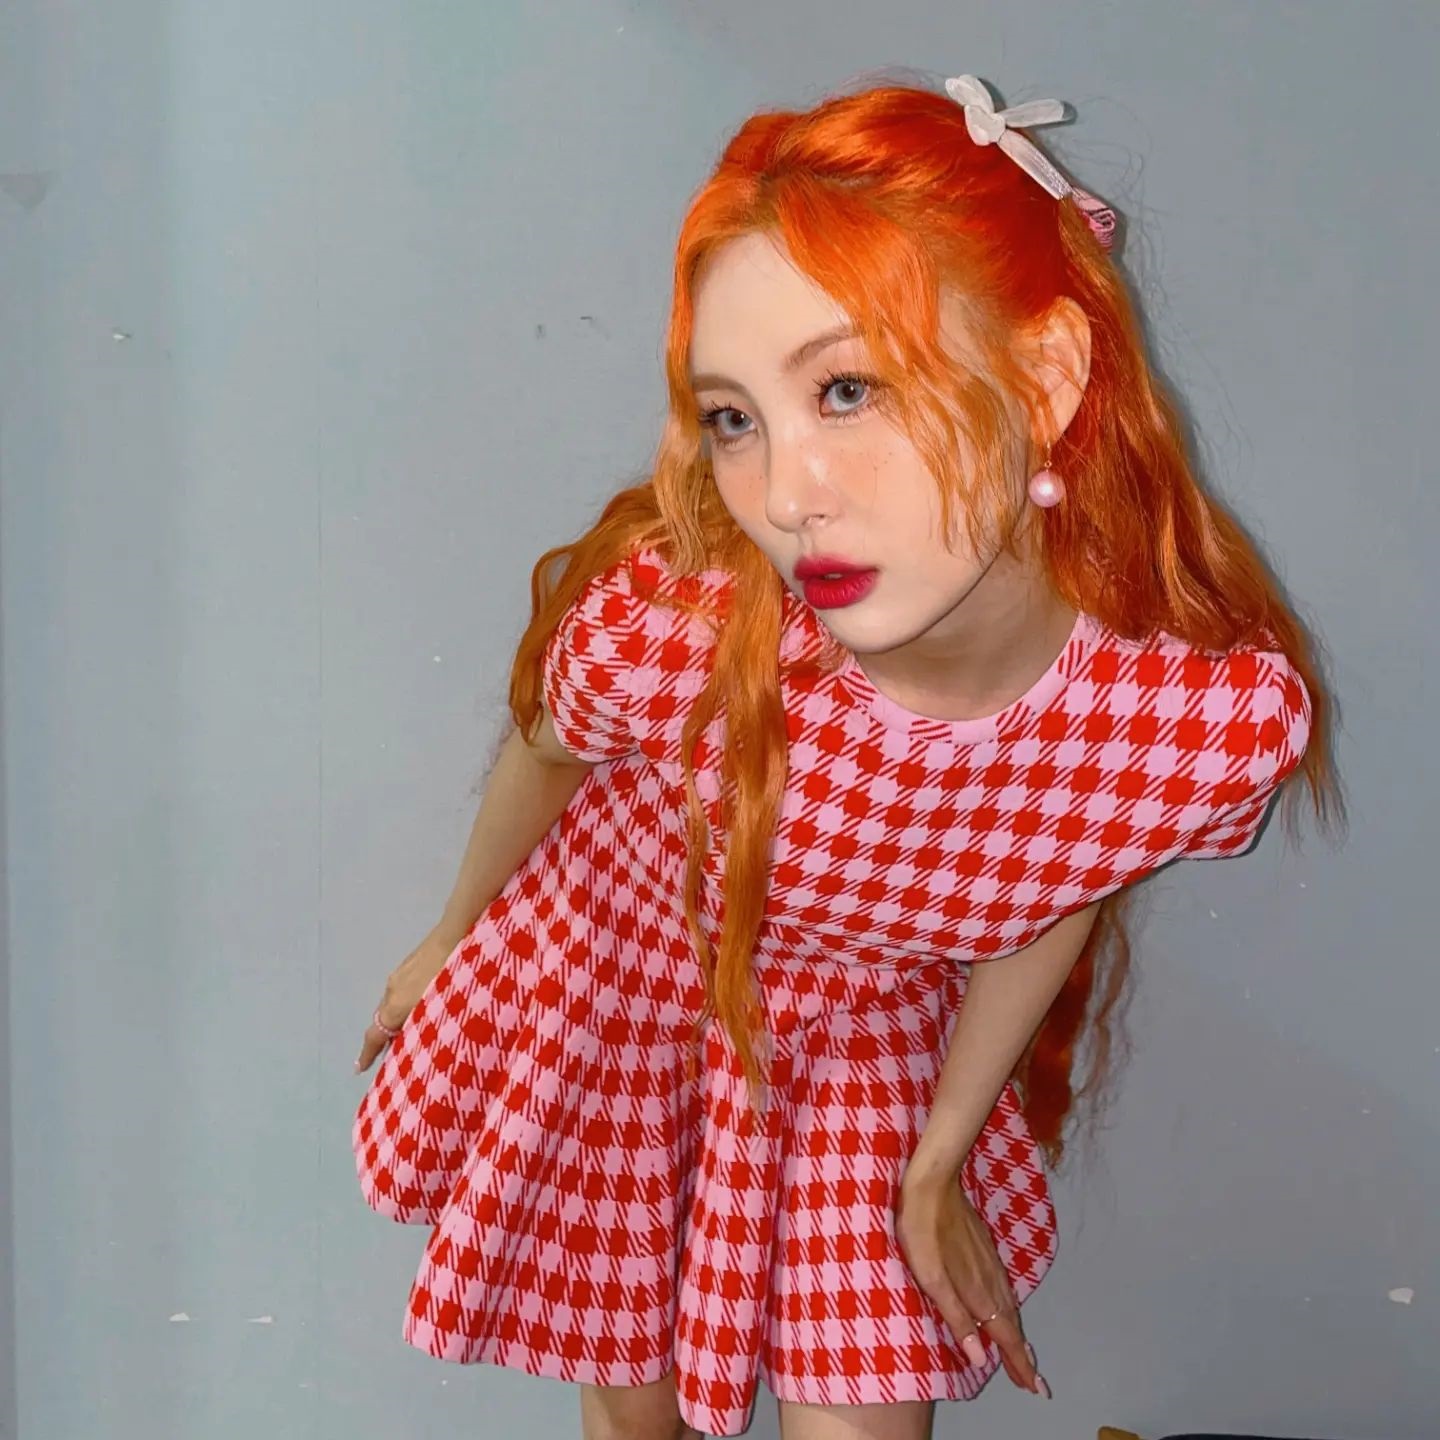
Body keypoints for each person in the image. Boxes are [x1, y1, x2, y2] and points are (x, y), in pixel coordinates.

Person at [351, 74, 1335, 1440]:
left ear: (1047, 380)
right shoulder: (684, 631)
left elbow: (1060, 873)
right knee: (632, 1401)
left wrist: (938, 1158)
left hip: (859, 1031)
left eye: (849, 389)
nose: (786, 494)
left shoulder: (1178, 725)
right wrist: (454, 933)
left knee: (861, 1404)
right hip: (626, 978)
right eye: (735, 418)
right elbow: (547, 752)